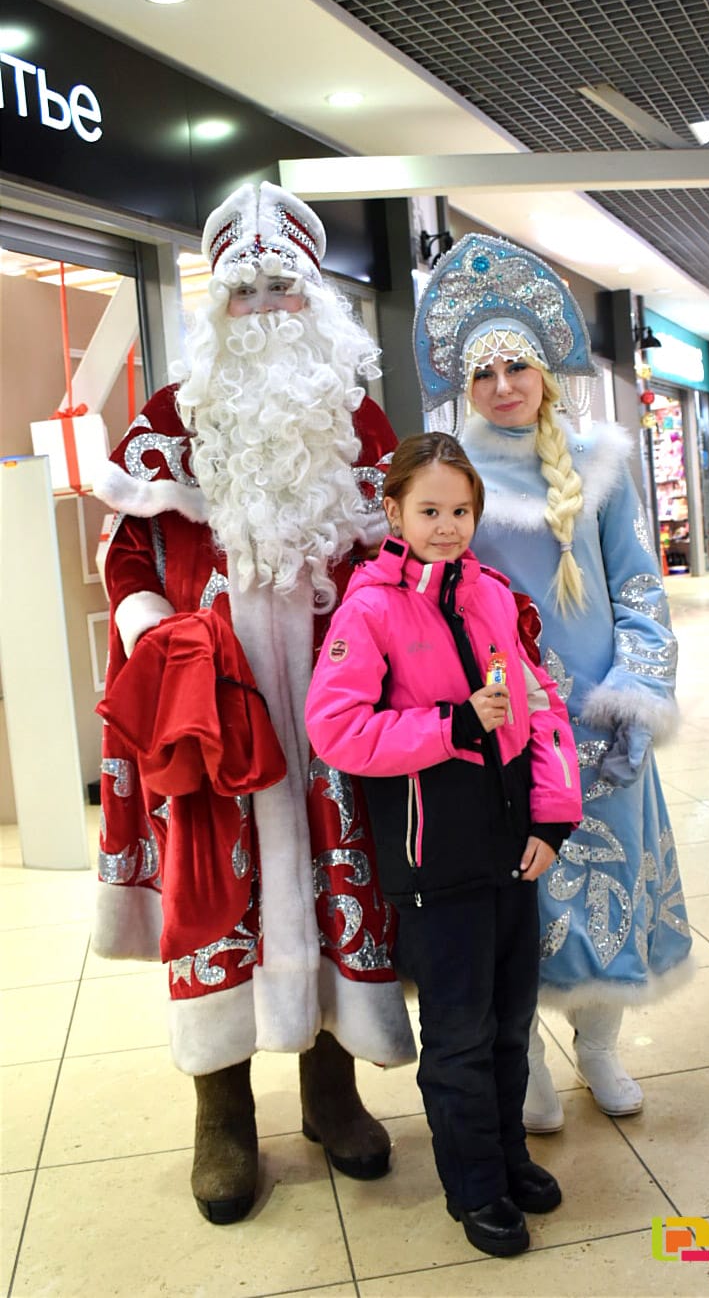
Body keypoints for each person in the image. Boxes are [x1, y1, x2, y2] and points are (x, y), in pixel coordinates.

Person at [92, 181, 415, 1225]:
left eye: (285, 288)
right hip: (213, 707)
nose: (267, 308)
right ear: (217, 304)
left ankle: (332, 1089)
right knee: (216, 894)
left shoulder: (357, 420)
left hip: (332, 706)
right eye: (247, 290)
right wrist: (156, 628)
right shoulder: (168, 419)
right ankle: (221, 1111)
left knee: (337, 877)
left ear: (315, 299)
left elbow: (396, 548)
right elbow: (127, 550)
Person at [411, 232, 693, 1133]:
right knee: (515, 896)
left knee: (607, 883)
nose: (502, 385)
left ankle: (600, 1045)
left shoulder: (600, 463)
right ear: (463, 381)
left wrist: (634, 690)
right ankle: (524, 1054)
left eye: (517, 367)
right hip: (500, 726)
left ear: (544, 371)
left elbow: (639, 587)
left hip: (598, 720)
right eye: (483, 371)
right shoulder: (447, 474)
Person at [305, 432, 582, 1258]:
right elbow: (336, 729)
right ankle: (475, 1186)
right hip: (433, 863)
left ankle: (508, 1156)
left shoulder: (489, 594)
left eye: (461, 511)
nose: (447, 526)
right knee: (459, 1036)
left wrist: (551, 819)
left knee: (510, 1025)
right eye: (429, 510)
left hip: (511, 853)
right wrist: (450, 727)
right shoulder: (368, 609)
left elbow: (540, 707)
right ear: (393, 512)